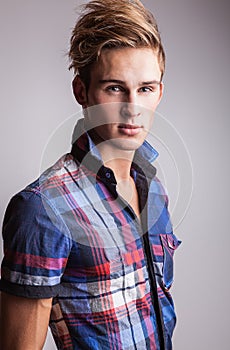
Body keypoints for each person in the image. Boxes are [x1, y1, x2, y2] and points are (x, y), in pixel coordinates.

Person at [0, 0, 181, 349]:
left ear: (159, 91)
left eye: (145, 88)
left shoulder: (153, 187)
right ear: (81, 91)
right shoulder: (42, 209)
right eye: (114, 88)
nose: (133, 107)